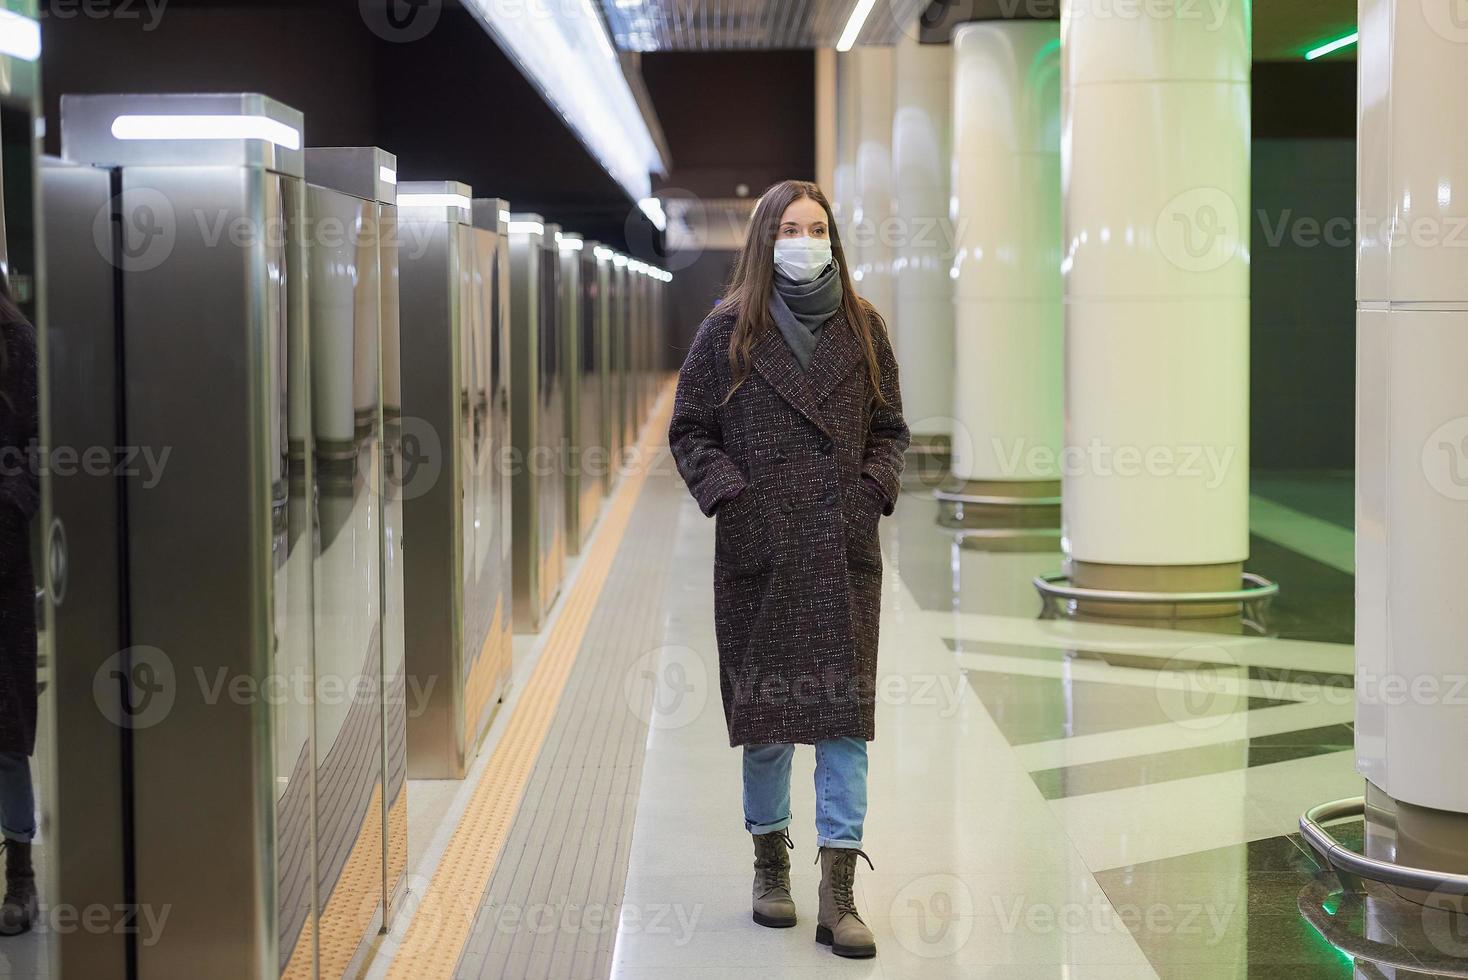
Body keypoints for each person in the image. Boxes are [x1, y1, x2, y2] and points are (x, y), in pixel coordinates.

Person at [668, 179, 908, 959]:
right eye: (791, 228)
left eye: (818, 227)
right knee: (769, 725)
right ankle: (770, 865)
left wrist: (871, 491)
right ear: (767, 239)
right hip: (761, 554)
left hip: (841, 553)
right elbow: (691, 431)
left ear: (833, 239)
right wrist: (733, 499)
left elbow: (892, 430)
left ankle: (838, 890)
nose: (805, 239)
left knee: (843, 725)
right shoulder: (726, 331)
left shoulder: (864, 329)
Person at [0, 275, 37, 936]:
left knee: (4, 735)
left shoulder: (15, 340)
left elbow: (39, 444)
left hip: (0, 559)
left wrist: (10, 501)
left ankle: (21, 875)